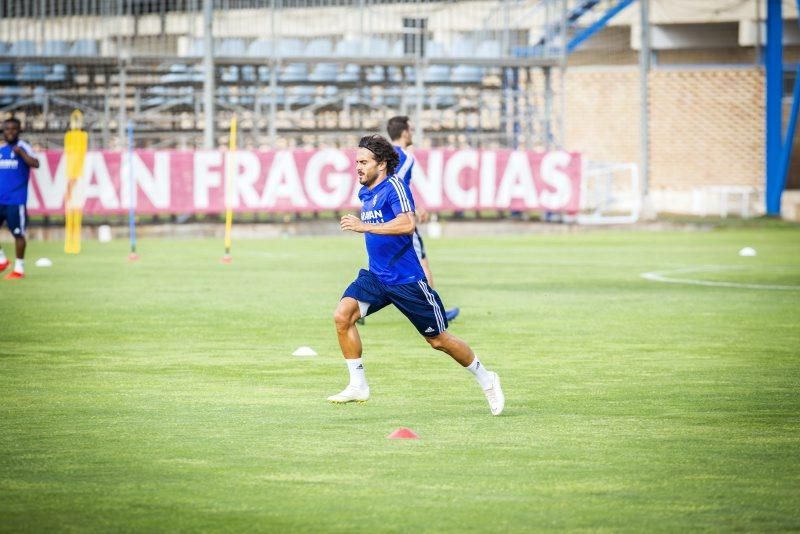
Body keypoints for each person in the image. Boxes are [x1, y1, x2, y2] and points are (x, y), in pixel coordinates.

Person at [329, 134, 504, 416]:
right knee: (342, 316)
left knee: (438, 340)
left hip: (407, 282)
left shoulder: (394, 186)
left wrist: (365, 227)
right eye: (356, 162)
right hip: (377, 277)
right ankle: (358, 384)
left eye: (363, 162)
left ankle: (487, 378)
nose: (358, 167)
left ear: (382, 163)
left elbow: (407, 224)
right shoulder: (366, 191)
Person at [387, 115, 460, 322]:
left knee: (386, 266)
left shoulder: (384, 156)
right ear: (404, 133)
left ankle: (360, 304)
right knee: (422, 263)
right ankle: (435, 313)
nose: (412, 133)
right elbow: (396, 182)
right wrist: (415, 207)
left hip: (387, 219)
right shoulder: (405, 156)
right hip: (402, 219)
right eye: (410, 129)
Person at [0, 117, 39, 280]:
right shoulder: (1, 151)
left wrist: (21, 154)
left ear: (19, 130)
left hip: (16, 200)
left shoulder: (23, 147)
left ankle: (19, 268)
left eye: (14, 129)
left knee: (18, 234)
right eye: (7, 129)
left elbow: (36, 163)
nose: (10, 132)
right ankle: (2, 259)